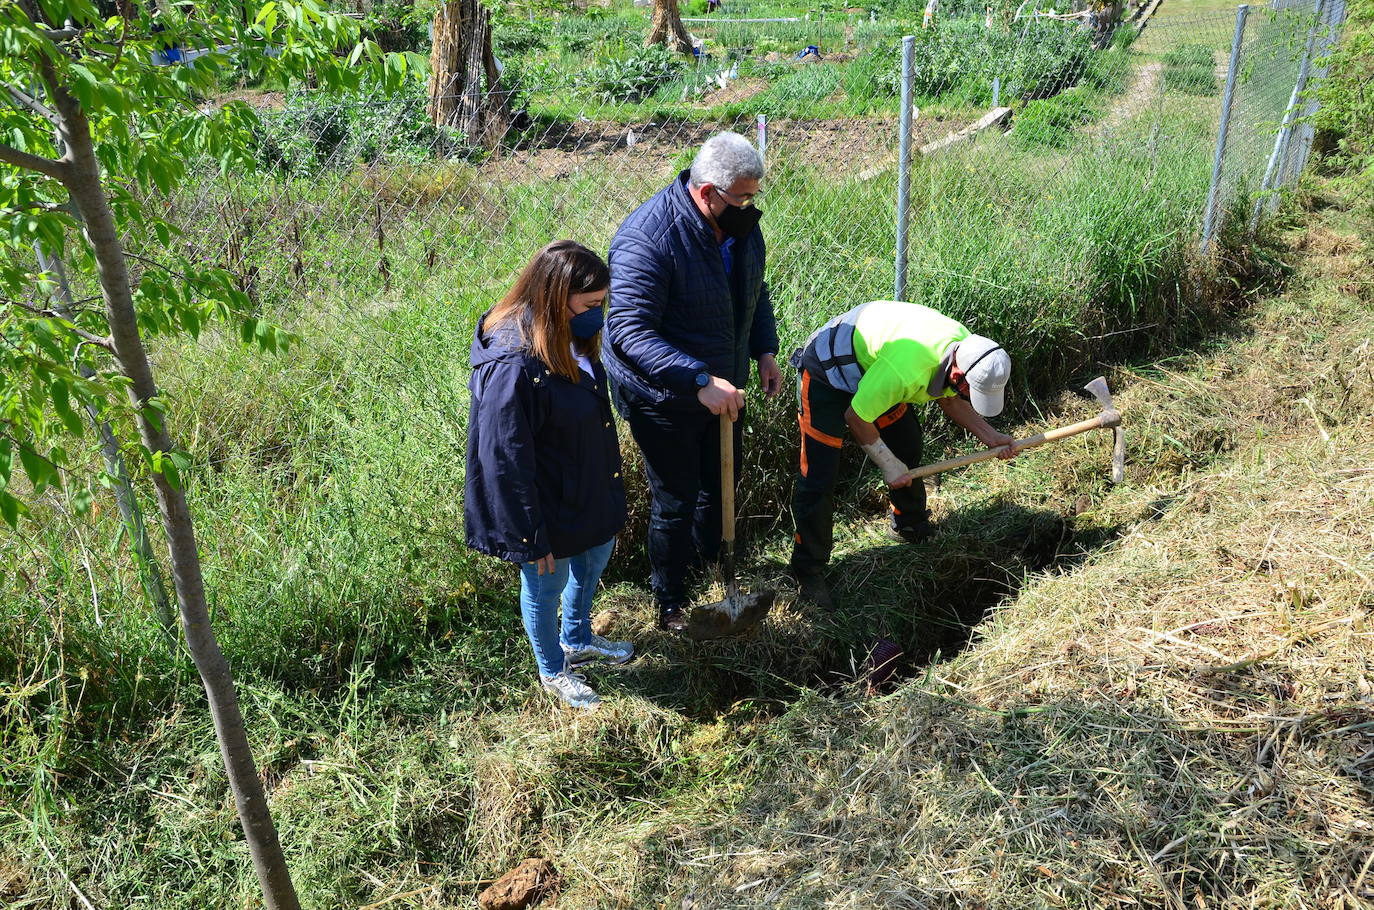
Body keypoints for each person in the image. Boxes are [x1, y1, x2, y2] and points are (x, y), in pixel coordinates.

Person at [604, 132, 782, 633]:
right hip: (663, 397)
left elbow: (754, 290)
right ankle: (670, 601)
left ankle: (715, 576)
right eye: (742, 197)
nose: (750, 208)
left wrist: (762, 350)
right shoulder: (648, 239)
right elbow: (628, 333)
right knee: (676, 498)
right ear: (707, 193)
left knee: (720, 485)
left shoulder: (740, 229)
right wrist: (698, 379)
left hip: (723, 389)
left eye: (754, 196)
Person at [464, 240, 632, 711]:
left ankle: (577, 638)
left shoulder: (568, 336)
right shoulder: (513, 364)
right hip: (543, 503)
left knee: (596, 556)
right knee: (545, 585)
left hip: (586, 485)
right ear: (557, 298)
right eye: (591, 305)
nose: (599, 315)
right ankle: (553, 669)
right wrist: (529, 534)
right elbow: (502, 458)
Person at [788, 300, 1019, 607]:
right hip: (827, 372)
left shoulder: (966, 348)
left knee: (907, 442)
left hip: (871, 367)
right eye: (969, 390)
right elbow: (857, 418)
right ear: (958, 371)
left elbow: (951, 399)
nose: (966, 395)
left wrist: (991, 437)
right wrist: (888, 464)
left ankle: (909, 524)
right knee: (819, 475)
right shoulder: (908, 369)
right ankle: (806, 571)